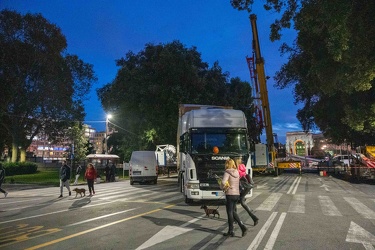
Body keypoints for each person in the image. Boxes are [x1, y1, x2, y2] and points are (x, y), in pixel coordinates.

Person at [220, 158, 247, 237]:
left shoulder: (227, 172)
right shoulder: (237, 172)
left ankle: (231, 230)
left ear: (227, 164)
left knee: (229, 213)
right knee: (233, 212)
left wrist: (222, 187)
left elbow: (223, 182)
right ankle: (242, 227)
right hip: (236, 194)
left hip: (230, 194)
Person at [235, 158, 259, 226]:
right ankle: (254, 217)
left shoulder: (236, 168)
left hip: (241, 187)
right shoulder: (243, 166)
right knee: (242, 202)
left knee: (234, 202)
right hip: (247, 186)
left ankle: (236, 219)